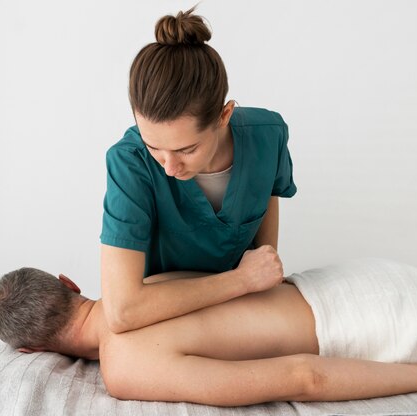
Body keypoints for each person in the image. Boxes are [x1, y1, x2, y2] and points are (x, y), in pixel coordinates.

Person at [0, 262, 417, 407]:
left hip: (375, 325)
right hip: (354, 280)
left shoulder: (126, 367)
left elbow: (301, 376)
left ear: (33, 349)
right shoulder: (142, 282)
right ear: (68, 282)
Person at [100, 6, 297, 334]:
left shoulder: (268, 134)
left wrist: (264, 266)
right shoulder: (128, 162)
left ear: (224, 115)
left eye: (186, 149)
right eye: (154, 147)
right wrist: (241, 280)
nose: (168, 167)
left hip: (244, 312)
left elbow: (267, 196)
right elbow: (122, 311)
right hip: (163, 322)